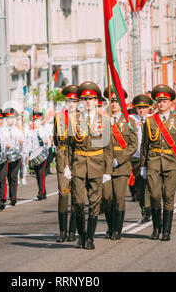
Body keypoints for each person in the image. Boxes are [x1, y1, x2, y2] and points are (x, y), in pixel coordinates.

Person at [140, 84, 176, 241]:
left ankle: (166, 231)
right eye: (159, 101)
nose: (161, 104)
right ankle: (156, 228)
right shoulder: (149, 121)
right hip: (153, 162)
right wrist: (143, 166)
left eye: (165, 101)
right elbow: (145, 145)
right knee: (154, 195)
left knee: (168, 196)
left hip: (171, 162)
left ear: (170, 103)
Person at [69, 81, 112, 250]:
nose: (87, 102)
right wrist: (67, 166)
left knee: (95, 202)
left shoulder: (105, 120)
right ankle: (81, 234)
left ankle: (90, 238)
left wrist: (108, 170)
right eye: (85, 99)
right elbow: (69, 147)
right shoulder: (74, 120)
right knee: (78, 202)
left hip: (97, 164)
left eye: (91, 99)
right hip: (79, 164)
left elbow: (108, 147)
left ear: (96, 101)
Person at [102, 87, 137, 240]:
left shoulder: (129, 122)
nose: (114, 104)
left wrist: (120, 159)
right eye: (112, 101)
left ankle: (117, 229)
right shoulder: (103, 121)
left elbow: (133, 144)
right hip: (106, 165)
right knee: (107, 198)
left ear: (122, 103)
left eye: (117, 101)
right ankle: (110, 227)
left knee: (119, 198)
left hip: (121, 165)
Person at [54, 85, 78, 242]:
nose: (71, 104)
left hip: (78, 158)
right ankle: (62, 230)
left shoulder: (82, 118)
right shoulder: (58, 117)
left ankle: (72, 231)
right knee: (63, 194)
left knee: (77, 195)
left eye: (74, 101)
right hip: (63, 157)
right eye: (69, 100)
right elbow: (55, 138)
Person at [129, 94, 153, 223]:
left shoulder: (153, 119)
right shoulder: (130, 119)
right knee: (139, 186)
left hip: (151, 157)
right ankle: (145, 209)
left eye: (144, 107)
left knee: (152, 185)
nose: (141, 110)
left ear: (148, 108)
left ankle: (151, 208)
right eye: (139, 108)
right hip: (137, 157)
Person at [27, 111, 51, 201]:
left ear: (41, 121)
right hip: (34, 155)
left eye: (37, 120)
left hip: (43, 154)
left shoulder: (44, 131)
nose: (35, 122)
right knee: (38, 174)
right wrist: (29, 155)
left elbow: (48, 144)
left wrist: (46, 142)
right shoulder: (31, 133)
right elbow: (29, 145)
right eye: (34, 121)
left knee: (41, 173)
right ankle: (43, 191)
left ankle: (40, 193)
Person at [3, 108, 24, 206]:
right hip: (6, 156)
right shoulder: (3, 130)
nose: (9, 120)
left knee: (13, 176)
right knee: (6, 176)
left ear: (14, 119)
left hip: (16, 155)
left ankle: (13, 197)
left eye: (11, 118)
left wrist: (21, 143)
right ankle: (5, 196)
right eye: (8, 118)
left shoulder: (18, 131)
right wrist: (5, 145)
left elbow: (24, 144)